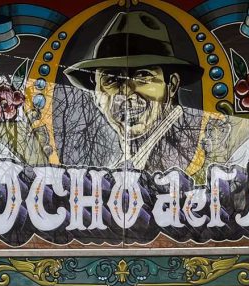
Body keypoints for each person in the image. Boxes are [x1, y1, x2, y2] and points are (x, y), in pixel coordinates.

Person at [65, 10, 207, 173]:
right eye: (111, 79)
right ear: (96, 95)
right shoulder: (116, 169)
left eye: (142, 75)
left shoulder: (196, 145)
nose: (126, 93)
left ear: (172, 85)